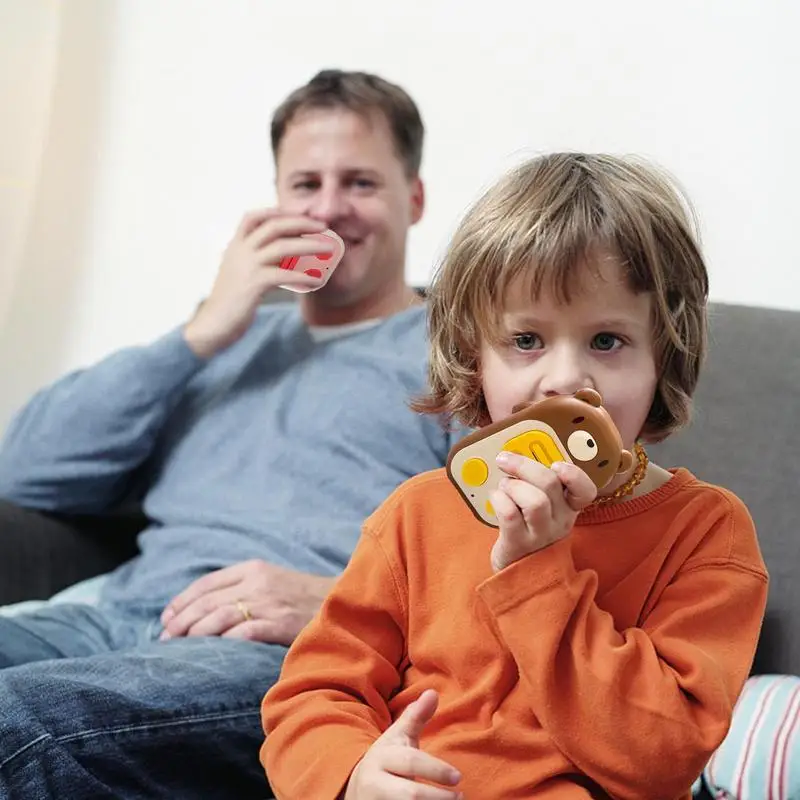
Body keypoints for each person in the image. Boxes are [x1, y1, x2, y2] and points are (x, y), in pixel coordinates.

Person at [0, 69, 458, 799]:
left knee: (15, 719)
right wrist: (204, 330)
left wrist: (344, 599)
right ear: (278, 200)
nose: (331, 208)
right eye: (306, 184)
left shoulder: (462, 356)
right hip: (113, 615)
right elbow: (22, 470)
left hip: (271, 648)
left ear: (415, 198)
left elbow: (510, 566)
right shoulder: (225, 338)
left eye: (361, 184)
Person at [261, 153, 770, 799]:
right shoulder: (417, 514)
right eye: (526, 340)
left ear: (663, 357)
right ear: (474, 356)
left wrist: (539, 569)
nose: (563, 379)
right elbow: (317, 688)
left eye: (607, 341)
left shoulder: (705, 530)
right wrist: (353, 772)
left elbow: (661, 753)